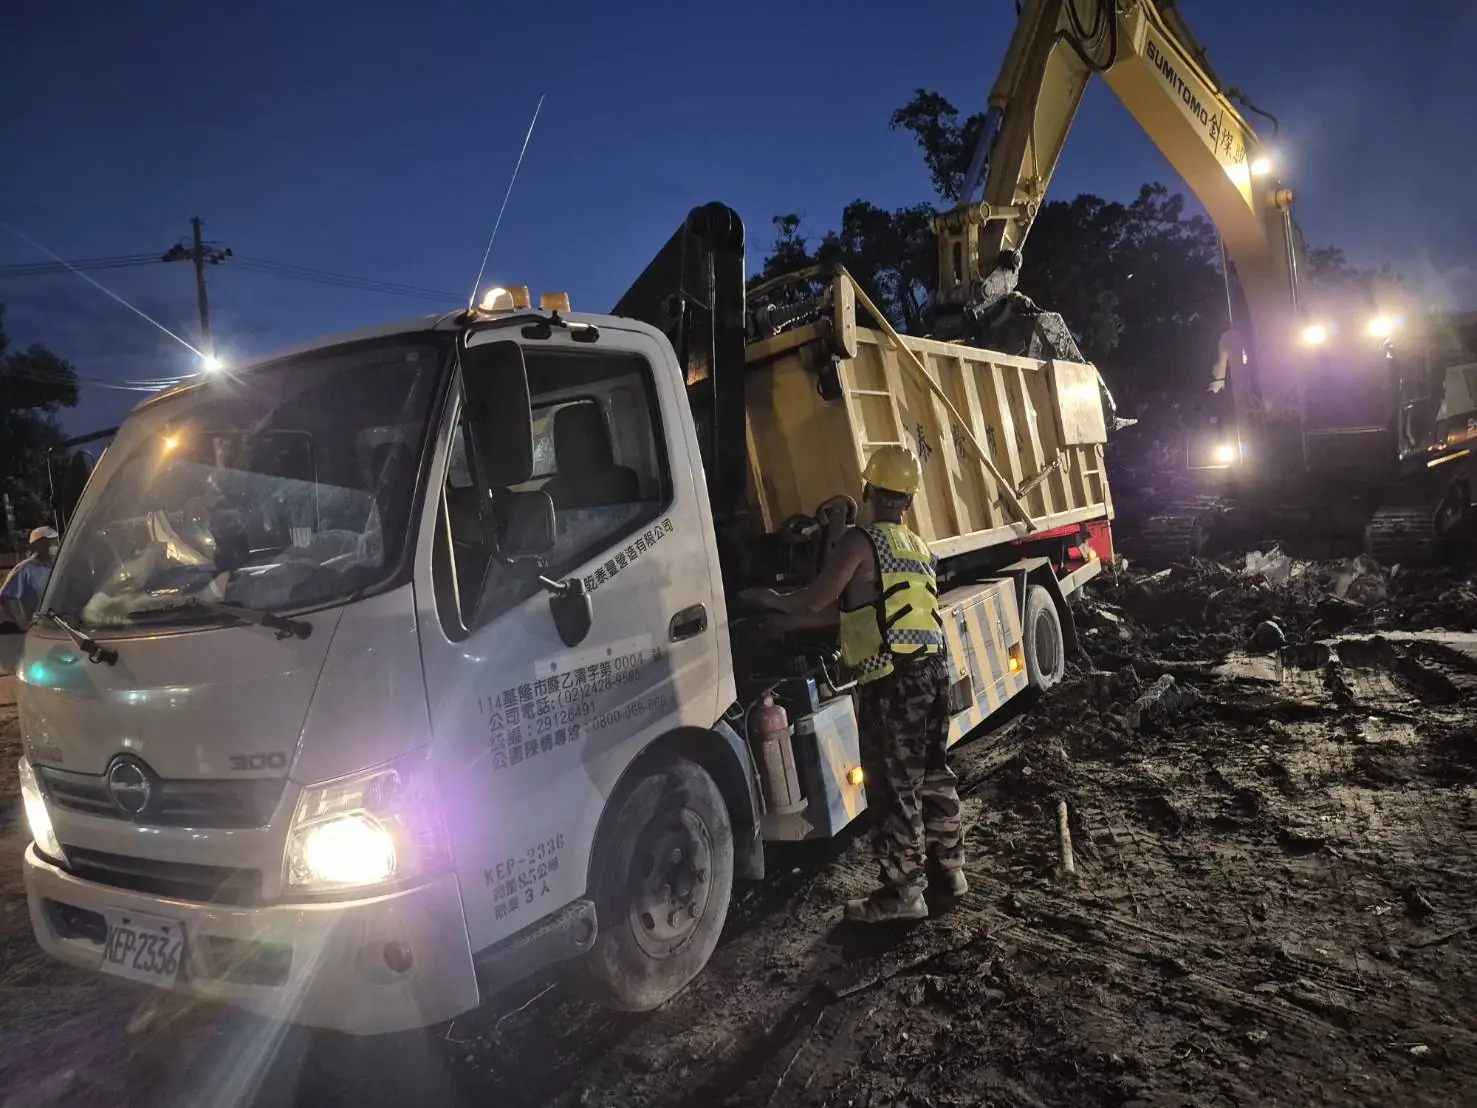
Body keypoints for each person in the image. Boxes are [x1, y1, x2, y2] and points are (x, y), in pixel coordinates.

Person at [741, 445, 965, 923]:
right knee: (932, 773)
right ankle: (951, 869)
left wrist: (768, 598)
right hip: (934, 669)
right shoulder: (917, 545)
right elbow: (854, 606)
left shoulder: (861, 541)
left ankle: (903, 895)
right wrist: (791, 624)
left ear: (867, 489)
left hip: (894, 679)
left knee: (893, 785)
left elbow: (819, 596)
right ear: (907, 498)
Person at [1, 526, 60, 630]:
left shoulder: (55, 567)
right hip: (37, 630)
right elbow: (7, 596)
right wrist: (22, 623)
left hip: (57, 626)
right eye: (50, 541)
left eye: (55, 540)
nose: (55, 544)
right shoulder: (24, 569)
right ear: (37, 544)